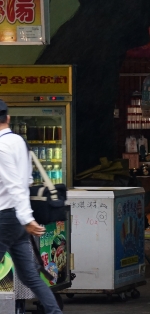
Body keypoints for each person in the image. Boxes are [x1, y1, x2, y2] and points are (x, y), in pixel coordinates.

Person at [0, 99, 62, 314]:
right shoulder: (19, 141)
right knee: (30, 277)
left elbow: (14, 184)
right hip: (17, 220)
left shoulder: (1, 147)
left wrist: (27, 218)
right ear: (7, 118)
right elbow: (26, 181)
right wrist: (25, 218)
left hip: (6, 216)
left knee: (30, 276)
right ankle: (55, 312)